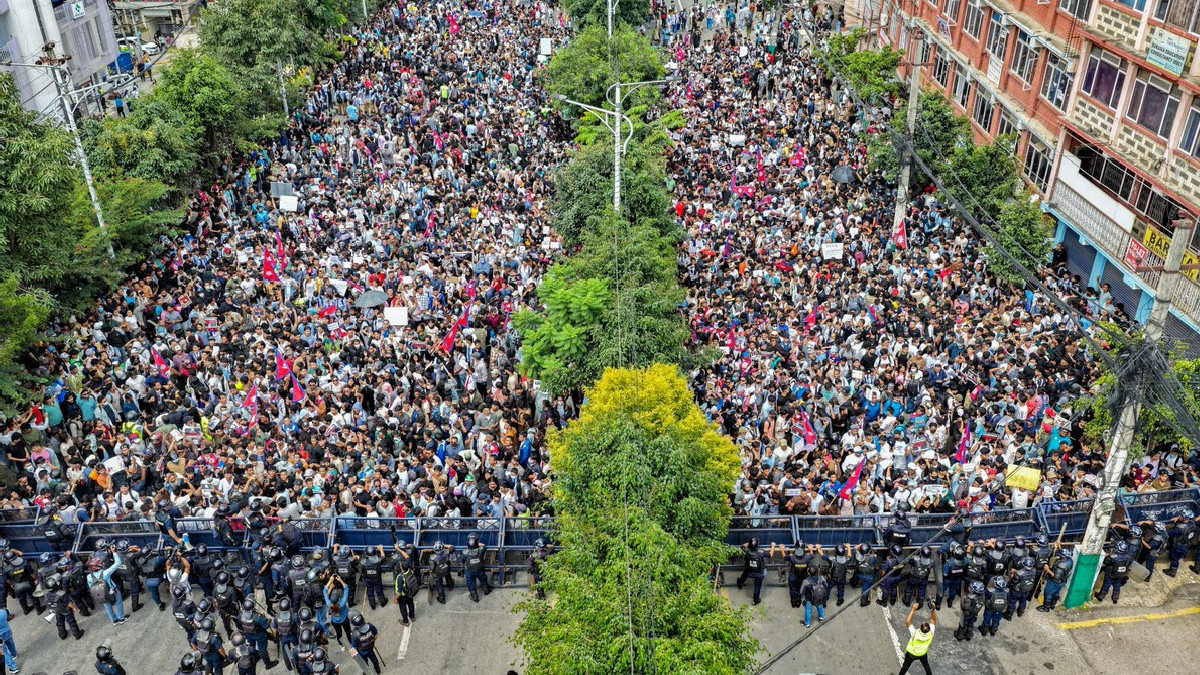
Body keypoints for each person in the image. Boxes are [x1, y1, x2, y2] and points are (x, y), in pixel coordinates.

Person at [898, 602, 936, 675]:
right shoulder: (931, 633)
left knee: (905, 667)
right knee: (926, 666)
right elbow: (933, 620)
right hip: (922, 653)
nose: (924, 621)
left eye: (923, 623)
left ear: (920, 628)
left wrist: (913, 609)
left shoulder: (915, 633)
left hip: (911, 654)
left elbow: (908, 621)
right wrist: (933, 610)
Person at [46, 573, 86, 641]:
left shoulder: (47, 594)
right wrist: (74, 608)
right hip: (66, 610)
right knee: (71, 622)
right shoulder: (61, 593)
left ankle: (62, 635)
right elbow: (68, 603)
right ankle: (77, 634)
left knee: (60, 623)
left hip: (57, 610)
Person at [1094, 540, 1134, 604]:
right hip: (1121, 573)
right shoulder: (1129, 556)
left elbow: (1106, 562)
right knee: (1117, 585)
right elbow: (1130, 563)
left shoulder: (1113, 557)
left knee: (1106, 585)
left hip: (1111, 573)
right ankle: (1115, 598)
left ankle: (1101, 597)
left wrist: (1108, 556)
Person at [348, 611, 382, 675]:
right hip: (371, 648)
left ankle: (366, 672)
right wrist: (371, 641)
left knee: (364, 663)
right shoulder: (370, 625)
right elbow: (376, 634)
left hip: (362, 652)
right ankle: (378, 670)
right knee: (374, 659)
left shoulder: (355, 634)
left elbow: (354, 647)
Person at [462, 532, 493, 602]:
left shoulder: (465, 552)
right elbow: (484, 546)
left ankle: (474, 596)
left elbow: (462, 561)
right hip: (480, 569)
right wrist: (477, 543)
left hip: (469, 571)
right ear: (477, 543)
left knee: (471, 583)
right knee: (483, 579)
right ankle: (486, 590)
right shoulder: (481, 550)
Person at [735, 538, 767, 605]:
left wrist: (744, 545)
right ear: (758, 545)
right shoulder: (761, 553)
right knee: (757, 586)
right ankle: (755, 600)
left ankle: (740, 583)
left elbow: (740, 549)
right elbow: (770, 555)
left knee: (746, 571)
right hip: (758, 574)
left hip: (749, 571)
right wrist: (772, 546)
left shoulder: (746, 552)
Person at [0, 603, 20, 672]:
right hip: (7, 631)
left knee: (4, 652)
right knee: (11, 643)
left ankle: (13, 667)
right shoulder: (3, 612)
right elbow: (8, 617)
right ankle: (14, 655)